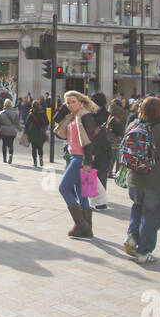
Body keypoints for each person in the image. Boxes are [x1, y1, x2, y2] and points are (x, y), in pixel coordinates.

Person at [125, 96, 160, 263]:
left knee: (138, 207)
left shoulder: (134, 125)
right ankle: (144, 251)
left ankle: (132, 237)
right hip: (156, 178)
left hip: (134, 177)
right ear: (158, 110)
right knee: (153, 215)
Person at [53, 91, 103, 239]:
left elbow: (90, 140)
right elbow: (56, 121)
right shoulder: (73, 116)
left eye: (73, 101)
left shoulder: (85, 116)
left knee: (63, 188)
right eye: (67, 102)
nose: (70, 105)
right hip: (74, 156)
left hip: (80, 158)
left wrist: (87, 162)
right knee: (81, 193)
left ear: (81, 102)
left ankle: (81, 224)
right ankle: (87, 229)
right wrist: (64, 108)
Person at [24, 100, 49, 169]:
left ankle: (35, 162)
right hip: (41, 132)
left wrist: (26, 132)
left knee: (33, 148)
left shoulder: (31, 114)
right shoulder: (43, 112)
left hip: (32, 132)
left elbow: (26, 124)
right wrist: (43, 126)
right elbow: (47, 122)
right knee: (40, 147)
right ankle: (41, 157)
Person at [0, 98, 21, 164]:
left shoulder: (1, 113)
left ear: (4, 105)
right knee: (11, 145)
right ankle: (10, 157)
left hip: (4, 131)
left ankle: (4, 158)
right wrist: (19, 129)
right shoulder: (15, 113)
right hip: (12, 131)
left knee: (4, 144)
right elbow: (17, 123)